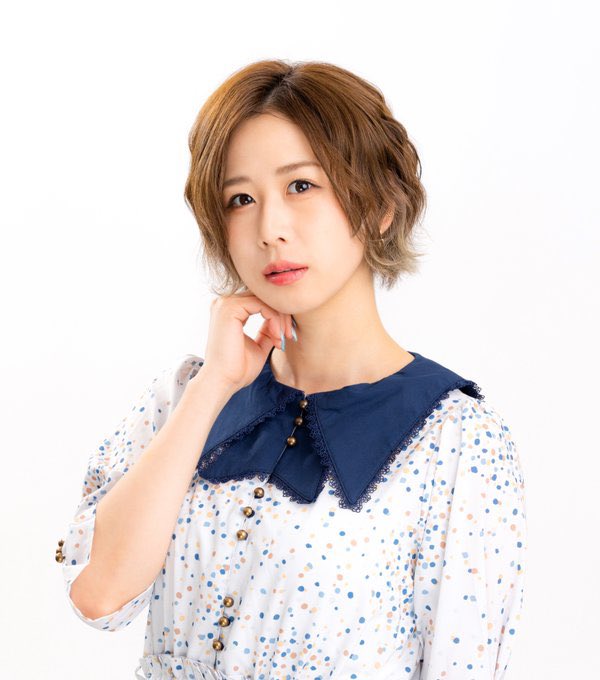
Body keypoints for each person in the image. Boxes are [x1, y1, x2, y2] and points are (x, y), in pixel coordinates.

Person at [56, 59, 527, 679]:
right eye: (240, 199)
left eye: (301, 186)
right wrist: (214, 386)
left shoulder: (457, 441)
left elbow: (461, 665)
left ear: (381, 204)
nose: (270, 229)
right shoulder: (186, 396)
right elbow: (99, 596)